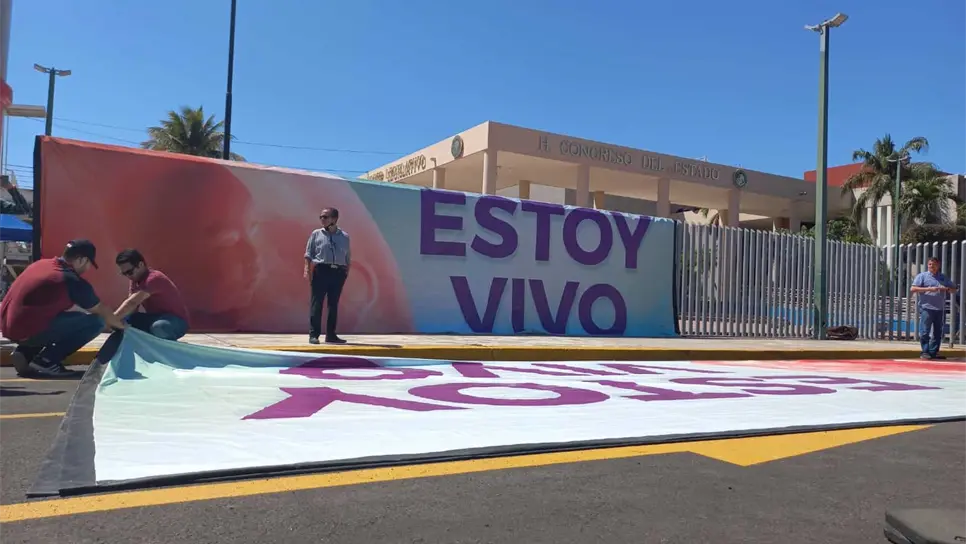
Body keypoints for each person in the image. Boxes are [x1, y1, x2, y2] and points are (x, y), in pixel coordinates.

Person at [0, 240, 127, 378]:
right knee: (97, 321)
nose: (88, 269)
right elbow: (102, 311)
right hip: (27, 331)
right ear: (81, 259)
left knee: (61, 316)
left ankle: (26, 352)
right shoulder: (70, 279)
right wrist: (123, 328)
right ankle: (46, 360)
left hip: (9, 327)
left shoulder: (41, 264)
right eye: (90, 264)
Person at [113, 249, 190, 341]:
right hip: (154, 318)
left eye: (129, 272)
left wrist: (111, 319)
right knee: (122, 323)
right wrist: (121, 322)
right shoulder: (135, 280)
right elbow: (133, 308)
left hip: (175, 321)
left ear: (140, 265)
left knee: (159, 327)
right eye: (124, 273)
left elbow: (132, 302)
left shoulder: (154, 278)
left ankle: (170, 349)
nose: (128, 276)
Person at [304, 207, 350, 344]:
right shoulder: (316, 234)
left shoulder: (344, 237)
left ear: (334, 219)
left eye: (325, 217)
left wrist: (346, 272)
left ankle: (331, 335)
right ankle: (314, 335)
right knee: (316, 303)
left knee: (333, 304)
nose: (322, 220)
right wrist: (307, 270)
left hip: (338, 272)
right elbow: (308, 254)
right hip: (321, 270)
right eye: (321, 217)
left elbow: (348, 256)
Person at [911, 256, 958, 360]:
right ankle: (925, 351)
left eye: (934, 264)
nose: (931, 266)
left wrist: (948, 289)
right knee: (925, 331)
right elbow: (913, 288)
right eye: (930, 264)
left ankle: (934, 352)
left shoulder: (943, 277)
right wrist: (929, 289)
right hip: (926, 308)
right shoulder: (922, 276)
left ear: (938, 266)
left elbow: (954, 289)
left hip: (940, 309)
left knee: (938, 332)